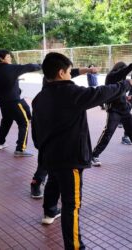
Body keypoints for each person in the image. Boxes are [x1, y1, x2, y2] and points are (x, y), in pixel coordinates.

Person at [32, 52, 132, 250]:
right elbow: (101, 93)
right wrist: (125, 85)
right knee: (72, 205)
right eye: (70, 72)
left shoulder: (39, 97)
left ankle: (50, 212)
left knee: (53, 182)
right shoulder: (71, 93)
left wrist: (43, 149)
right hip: (69, 160)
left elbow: (36, 132)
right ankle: (75, 246)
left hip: (49, 156)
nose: (71, 75)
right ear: (61, 73)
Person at [30, 66, 101, 199]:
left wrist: (88, 70)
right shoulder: (54, 84)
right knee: (52, 166)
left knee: (51, 166)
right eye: (67, 71)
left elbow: (72, 73)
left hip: (48, 130)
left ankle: (49, 208)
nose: (70, 73)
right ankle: (37, 182)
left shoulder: (49, 81)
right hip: (55, 129)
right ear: (60, 73)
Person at [91, 61, 132, 167]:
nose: (125, 73)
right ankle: (94, 155)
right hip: (114, 109)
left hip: (124, 108)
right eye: (124, 70)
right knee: (108, 132)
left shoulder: (120, 78)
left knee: (131, 128)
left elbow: (119, 91)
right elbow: (121, 75)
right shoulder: (111, 76)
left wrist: (125, 97)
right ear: (120, 69)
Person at [0, 49, 41, 157]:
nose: (10, 58)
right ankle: (20, 149)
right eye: (8, 57)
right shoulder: (11, 68)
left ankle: (0, 143)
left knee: (6, 122)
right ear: (2, 58)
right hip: (14, 102)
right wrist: (41, 65)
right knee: (24, 123)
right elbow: (29, 67)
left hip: (3, 103)